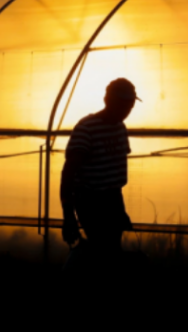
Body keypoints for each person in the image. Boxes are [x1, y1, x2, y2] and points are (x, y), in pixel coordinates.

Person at [60, 78, 141, 259]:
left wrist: (120, 210)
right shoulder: (86, 128)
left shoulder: (120, 128)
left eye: (130, 105)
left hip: (112, 199)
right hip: (90, 201)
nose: (128, 110)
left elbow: (114, 178)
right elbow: (69, 173)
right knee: (104, 251)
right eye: (124, 104)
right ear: (109, 101)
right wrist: (68, 214)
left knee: (109, 251)